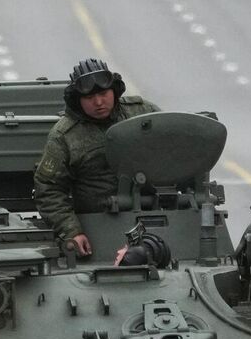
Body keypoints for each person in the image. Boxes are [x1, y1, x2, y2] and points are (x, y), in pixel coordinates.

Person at [31, 58, 160, 258]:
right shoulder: (64, 136)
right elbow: (48, 190)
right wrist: (72, 231)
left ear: (114, 91)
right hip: (97, 229)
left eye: (103, 93)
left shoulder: (142, 113)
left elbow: (174, 148)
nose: (98, 102)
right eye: (89, 97)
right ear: (77, 99)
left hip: (157, 221)